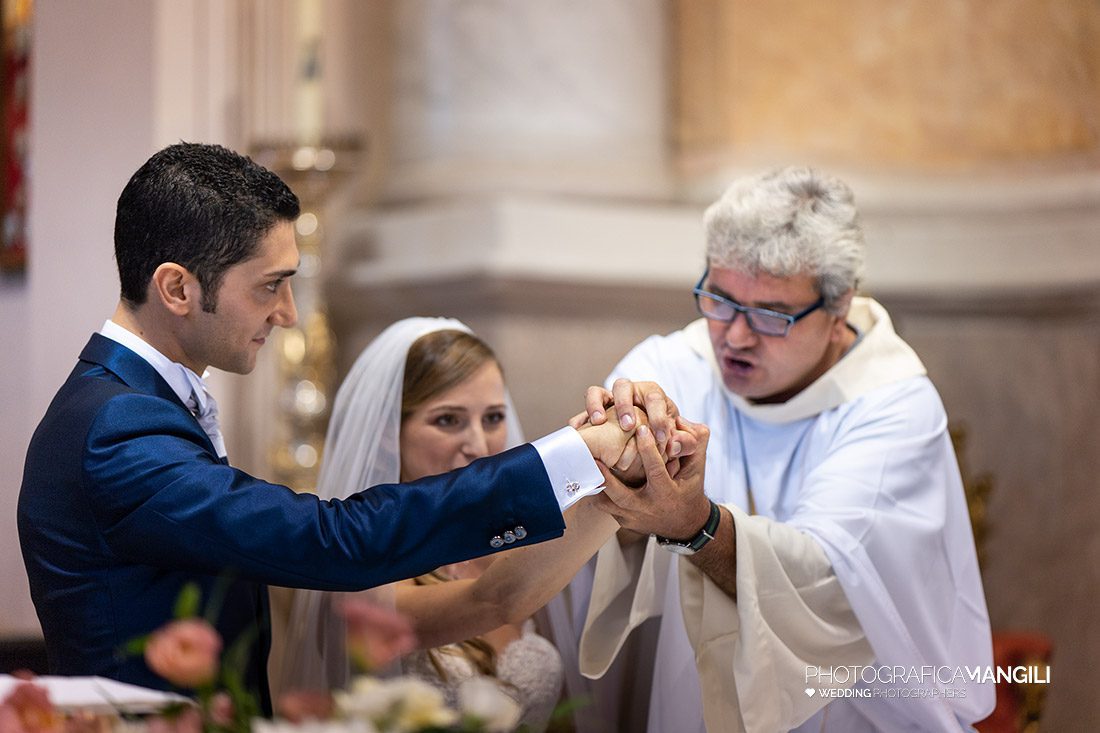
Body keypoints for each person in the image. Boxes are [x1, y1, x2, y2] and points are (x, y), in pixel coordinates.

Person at [15, 143, 661, 712]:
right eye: (270, 286)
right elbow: (332, 540)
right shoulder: (117, 426)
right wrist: (571, 456)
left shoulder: (131, 404)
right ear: (178, 288)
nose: (289, 314)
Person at [576, 167, 996, 731]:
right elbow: (589, 510)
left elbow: (826, 587)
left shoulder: (894, 406)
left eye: (771, 315)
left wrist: (694, 525)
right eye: (720, 299)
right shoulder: (672, 367)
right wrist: (618, 454)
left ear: (839, 307)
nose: (735, 336)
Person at [274, 318, 639, 731]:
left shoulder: (512, 536)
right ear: (386, 431)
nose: (480, 446)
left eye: (493, 418)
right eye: (448, 420)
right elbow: (494, 601)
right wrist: (609, 474)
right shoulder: (355, 566)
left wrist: (637, 450)